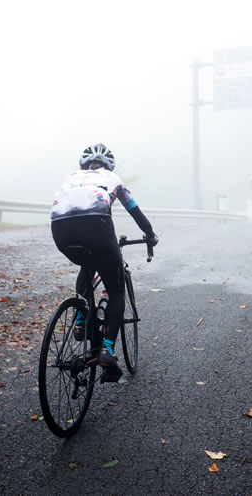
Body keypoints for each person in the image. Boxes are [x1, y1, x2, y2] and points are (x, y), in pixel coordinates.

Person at [50, 143, 158, 380]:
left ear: (83, 165)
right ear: (109, 165)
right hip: (97, 226)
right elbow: (135, 212)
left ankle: (81, 319)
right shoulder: (113, 178)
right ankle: (107, 349)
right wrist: (150, 235)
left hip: (60, 229)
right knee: (117, 290)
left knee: (86, 266)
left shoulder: (71, 177)